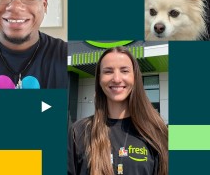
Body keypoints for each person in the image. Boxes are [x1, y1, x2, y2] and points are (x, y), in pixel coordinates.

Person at [68, 47, 168, 175]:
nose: (116, 79)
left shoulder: (156, 131)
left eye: (124, 71)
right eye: (108, 71)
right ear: (99, 79)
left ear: (135, 77)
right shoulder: (79, 132)